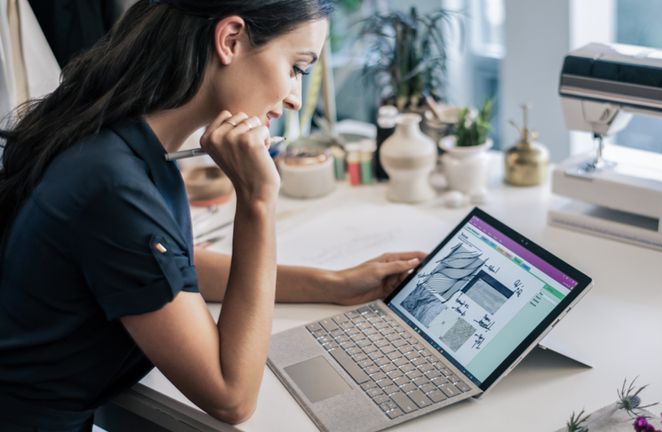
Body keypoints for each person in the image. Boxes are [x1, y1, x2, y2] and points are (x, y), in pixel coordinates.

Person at [0, 1, 425, 430]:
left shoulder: (121, 139)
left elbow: (173, 269)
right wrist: (257, 202)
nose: (295, 98)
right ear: (231, 40)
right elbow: (231, 395)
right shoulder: (111, 186)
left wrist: (332, 283)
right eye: (297, 67)